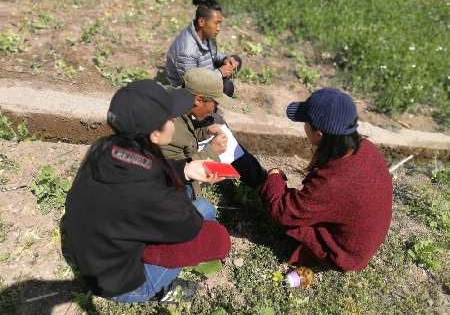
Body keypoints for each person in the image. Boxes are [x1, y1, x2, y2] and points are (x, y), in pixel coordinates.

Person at [61, 80, 231, 304]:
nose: (175, 123)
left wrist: (186, 170)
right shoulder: (151, 194)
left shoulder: (105, 147)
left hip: (90, 250)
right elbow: (200, 234)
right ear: (155, 135)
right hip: (119, 284)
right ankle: (156, 292)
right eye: (171, 119)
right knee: (208, 216)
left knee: (199, 207)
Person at [259, 88, 392, 272]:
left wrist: (274, 177)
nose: (304, 126)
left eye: (306, 122)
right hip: (365, 238)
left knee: (293, 222)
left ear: (319, 134)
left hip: (346, 253)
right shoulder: (365, 148)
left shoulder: (334, 181)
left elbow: (284, 212)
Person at [161, 68, 267, 198]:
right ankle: (265, 185)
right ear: (198, 100)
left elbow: (187, 128)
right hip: (173, 187)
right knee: (205, 208)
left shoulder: (178, 103)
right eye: (215, 104)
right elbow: (178, 172)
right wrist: (212, 151)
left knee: (218, 123)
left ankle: (263, 181)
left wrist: (205, 131)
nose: (214, 109)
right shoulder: (169, 129)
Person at [165, 0, 242, 97]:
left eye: (220, 23)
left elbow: (213, 54)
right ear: (201, 22)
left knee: (236, 60)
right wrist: (219, 73)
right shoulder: (187, 51)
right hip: (187, 86)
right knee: (227, 87)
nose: (218, 28)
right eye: (216, 23)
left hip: (206, 71)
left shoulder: (206, 33)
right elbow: (191, 83)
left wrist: (225, 59)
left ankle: (224, 78)